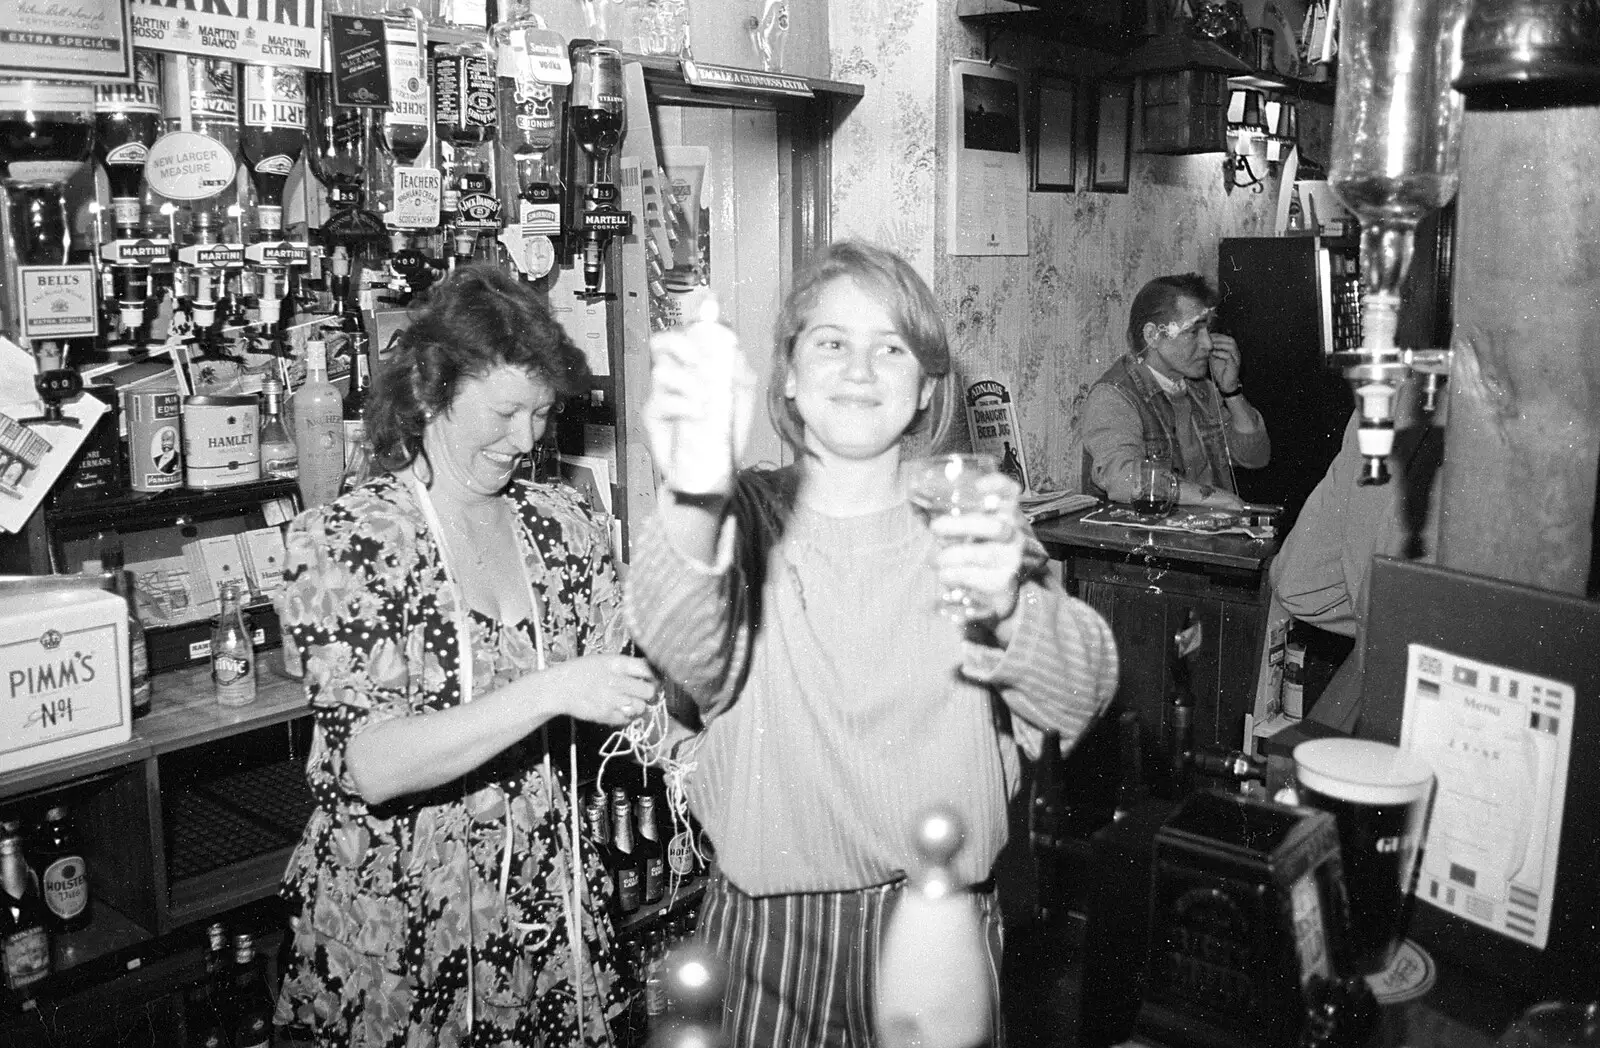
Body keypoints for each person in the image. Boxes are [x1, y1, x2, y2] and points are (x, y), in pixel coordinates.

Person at [625, 240, 1119, 1048]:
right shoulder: (738, 520)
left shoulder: (972, 521)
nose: (860, 369)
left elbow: (1079, 693)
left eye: (890, 347)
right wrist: (691, 492)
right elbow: (680, 642)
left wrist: (1009, 608)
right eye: (831, 342)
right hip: (767, 944)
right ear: (786, 373)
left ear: (926, 387)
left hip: (941, 929)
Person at [272, 265, 656, 1048]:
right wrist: (550, 691)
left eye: (542, 414)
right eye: (506, 410)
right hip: (398, 918)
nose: (527, 440)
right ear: (432, 390)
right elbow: (373, 766)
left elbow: (631, 693)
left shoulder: (561, 526)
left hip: (542, 899)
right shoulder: (355, 540)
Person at [1266, 376, 1445, 731]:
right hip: (1394, 655)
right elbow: (1298, 585)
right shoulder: (1396, 396)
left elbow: (1299, 586)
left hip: (1415, 679)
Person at [1080, 273, 1270, 508]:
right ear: (1153, 336)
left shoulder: (1200, 389)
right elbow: (1124, 479)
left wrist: (1231, 391)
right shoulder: (1114, 395)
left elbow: (1256, 458)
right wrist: (1213, 498)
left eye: (1208, 331)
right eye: (1193, 332)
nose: (1208, 344)